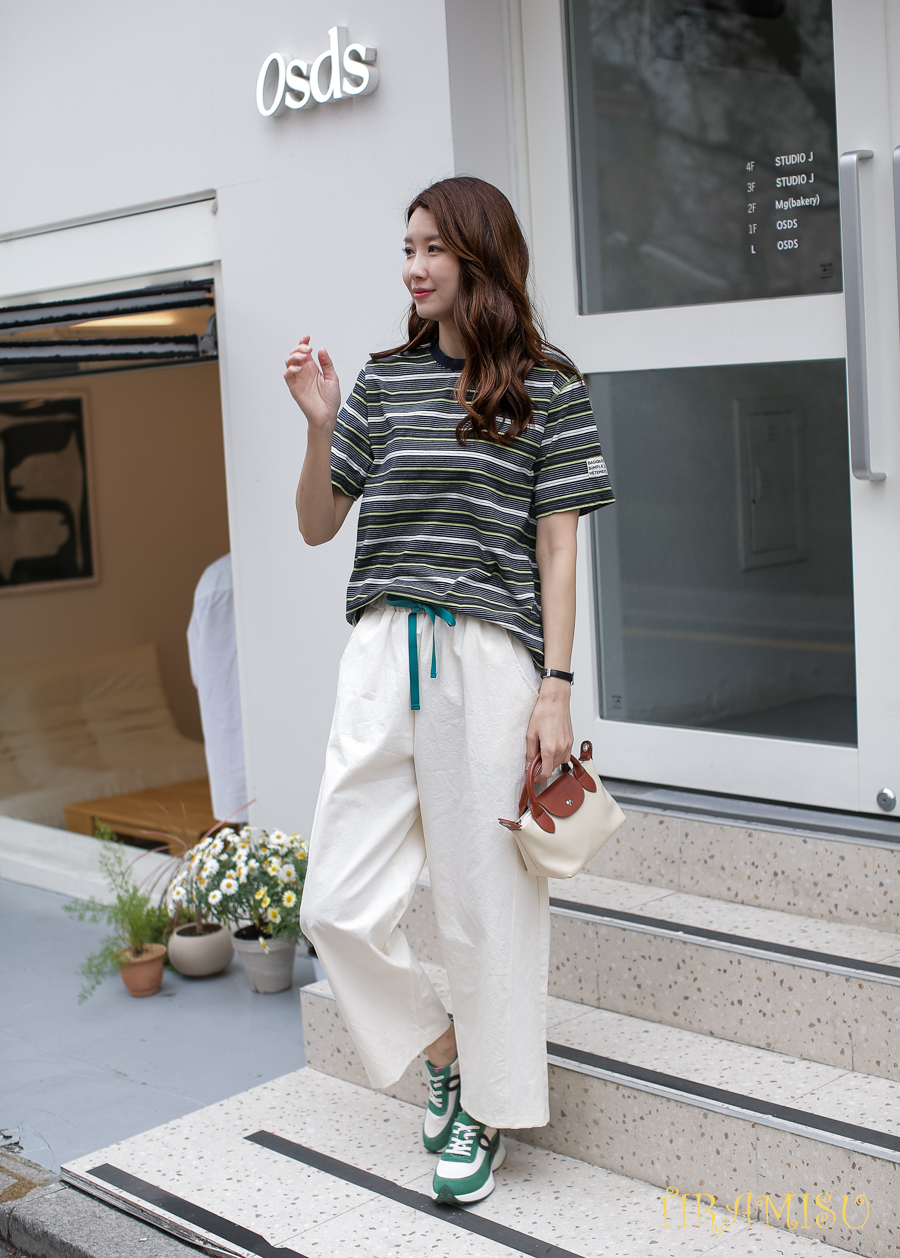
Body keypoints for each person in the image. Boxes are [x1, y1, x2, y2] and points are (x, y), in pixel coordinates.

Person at [286, 176, 613, 1206]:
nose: (414, 267)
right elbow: (316, 525)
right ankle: (444, 1056)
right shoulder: (382, 385)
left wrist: (556, 686)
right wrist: (319, 424)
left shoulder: (550, 388)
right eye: (408, 247)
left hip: (490, 659)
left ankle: (489, 1110)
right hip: (385, 649)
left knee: (487, 906)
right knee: (337, 903)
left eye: (432, 247)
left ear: (481, 257)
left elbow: (559, 550)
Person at [186, 554, 248, 823]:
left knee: (249, 832)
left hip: (227, 729)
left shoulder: (213, 579)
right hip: (285, 732)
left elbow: (198, 671)